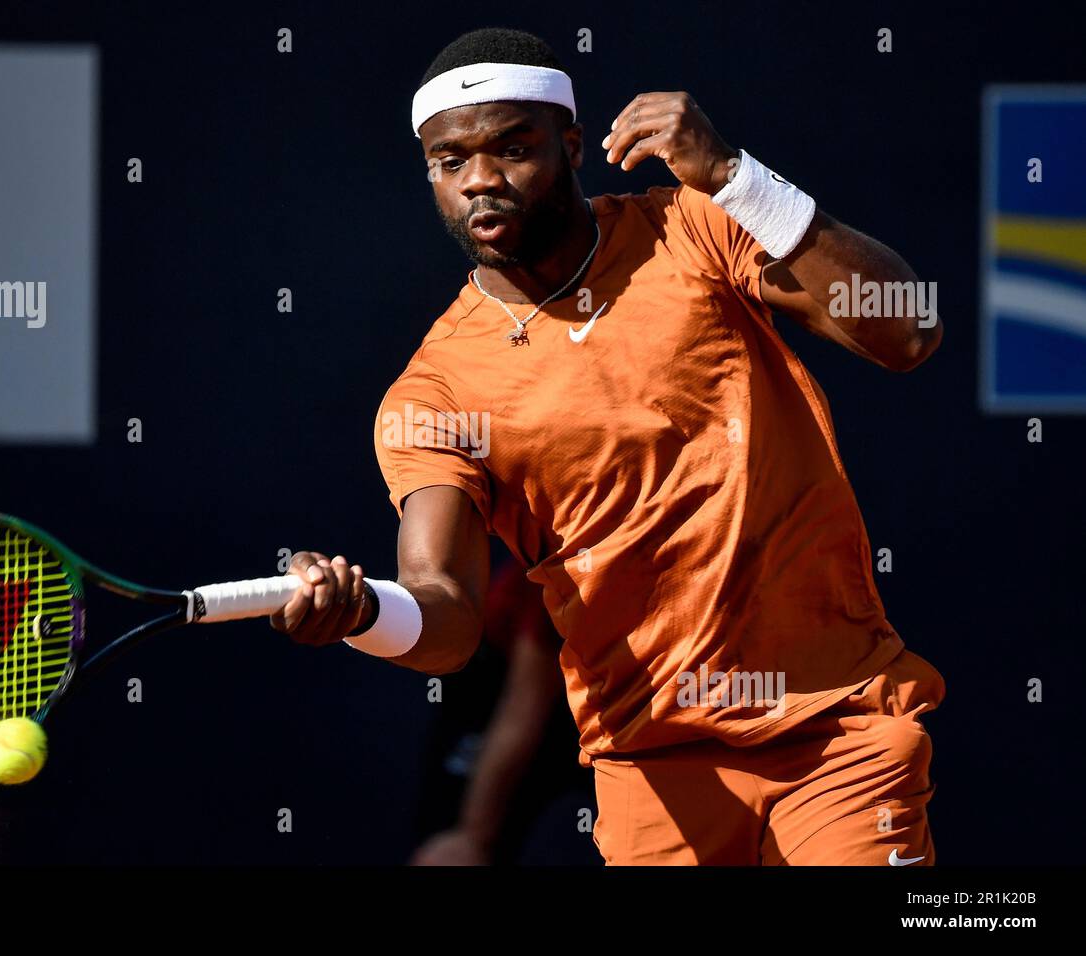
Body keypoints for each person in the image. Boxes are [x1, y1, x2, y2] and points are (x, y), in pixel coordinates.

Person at [270, 27, 946, 865]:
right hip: (649, 771)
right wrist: (361, 612)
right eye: (450, 162)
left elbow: (910, 328)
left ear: (573, 145)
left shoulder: (695, 228)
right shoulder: (432, 394)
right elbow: (445, 611)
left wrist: (739, 180)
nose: (480, 179)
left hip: (837, 731)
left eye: (512, 148)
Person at [409, 557, 594, 866]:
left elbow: (526, 707)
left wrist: (473, 838)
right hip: (492, 688)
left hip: (560, 719)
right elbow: (522, 707)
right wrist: (470, 838)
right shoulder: (551, 568)